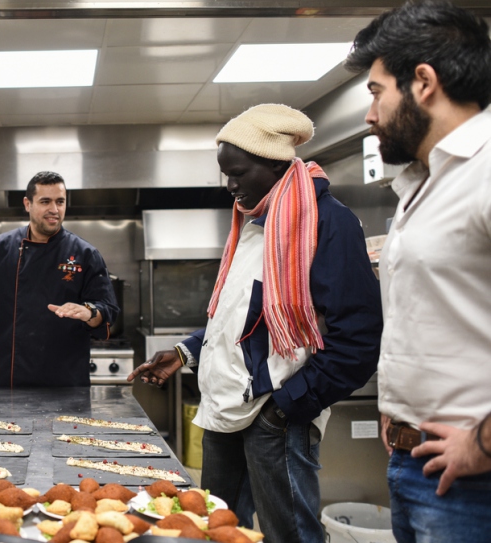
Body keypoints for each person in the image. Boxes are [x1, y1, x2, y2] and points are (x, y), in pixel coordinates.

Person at [128, 104, 383, 543]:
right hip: (225, 411)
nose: (231, 186)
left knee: (292, 535)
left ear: (275, 164)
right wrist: (187, 351)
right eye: (226, 174)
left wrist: (286, 407)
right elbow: (241, 315)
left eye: (239, 173)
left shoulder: (326, 224)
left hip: (273, 417)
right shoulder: (254, 224)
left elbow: (358, 340)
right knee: (217, 529)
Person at [344, 1, 491, 540]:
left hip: (473, 480)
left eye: (377, 92)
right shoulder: (422, 184)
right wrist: (398, 407)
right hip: (414, 463)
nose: (370, 114)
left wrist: (482, 444)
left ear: (423, 82)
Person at [0, 171, 119, 388]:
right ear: (27, 204)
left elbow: (108, 309)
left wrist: (90, 313)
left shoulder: (85, 253)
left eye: (60, 202)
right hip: (11, 382)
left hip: (68, 383)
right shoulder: (0, 249)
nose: (54, 209)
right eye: (45, 201)